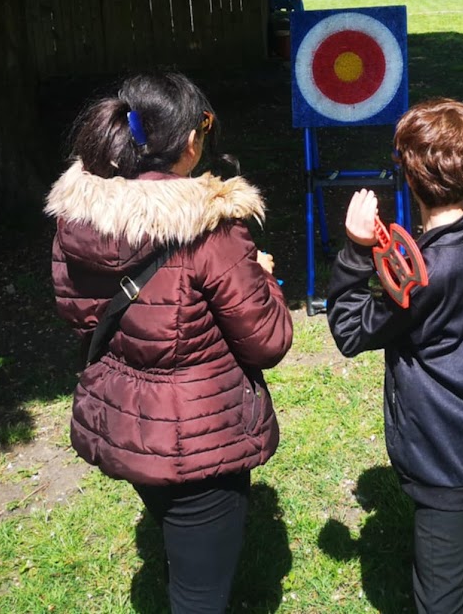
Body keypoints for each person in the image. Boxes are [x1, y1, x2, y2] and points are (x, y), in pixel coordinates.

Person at [46, 72, 292, 614]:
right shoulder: (213, 229)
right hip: (201, 439)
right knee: (199, 595)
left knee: (183, 549)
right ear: (189, 142)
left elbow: (78, 313)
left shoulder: (78, 216)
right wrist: (262, 278)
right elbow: (269, 340)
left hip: (125, 424)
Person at [325, 97, 463, 614]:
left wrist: (354, 249)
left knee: (439, 598)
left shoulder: (424, 275)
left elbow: (350, 331)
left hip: (443, 450)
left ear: (410, 179)